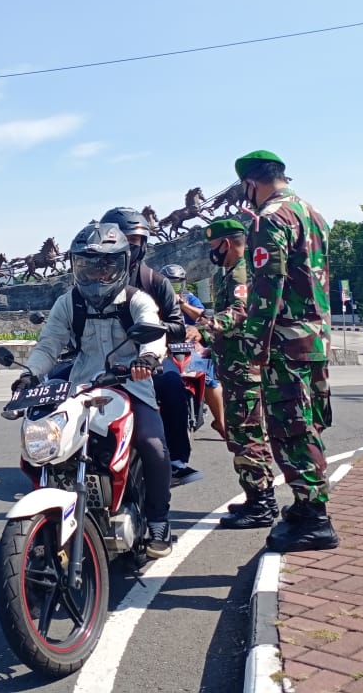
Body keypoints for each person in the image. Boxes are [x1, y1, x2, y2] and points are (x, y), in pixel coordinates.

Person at [11, 221, 174, 558]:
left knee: (153, 445)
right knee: (50, 445)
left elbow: (156, 334)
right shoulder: (69, 303)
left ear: (122, 265)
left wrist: (147, 358)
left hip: (131, 386)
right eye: (86, 266)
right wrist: (30, 374)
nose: (96, 275)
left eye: (106, 266)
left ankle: (159, 520)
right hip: (82, 387)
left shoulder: (137, 300)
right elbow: (49, 344)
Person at [236, 149, 339, 553]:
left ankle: (315, 517)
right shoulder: (313, 214)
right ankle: (304, 505)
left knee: (291, 427)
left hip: (285, 341)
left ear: (250, 183)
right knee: (310, 418)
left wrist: (255, 344)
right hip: (314, 337)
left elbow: (268, 286)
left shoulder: (269, 219)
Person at [99, 207, 201, 487]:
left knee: (170, 384)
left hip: (149, 356)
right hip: (99, 356)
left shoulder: (156, 281)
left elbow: (178, 324)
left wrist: (150, 331)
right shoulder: (89, 280)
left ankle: (177, 459)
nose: (129, 249)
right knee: (58, 380)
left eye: (134, 243)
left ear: (143, 245)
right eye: (122, 242)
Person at [196, 218, 278, 529]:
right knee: (244, 432)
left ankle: (261, 504)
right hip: (234, 366)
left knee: (247, 433)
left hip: (244, 368)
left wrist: (206, 327)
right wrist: (211, 341)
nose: (211, 252)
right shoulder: (229, 272)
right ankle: (258, 498)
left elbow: (241, 311)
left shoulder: (241, 271)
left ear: (225, 244)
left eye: (212, 246)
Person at [160, 263, 227, 443]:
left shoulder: (190, 299)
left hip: (190, 348)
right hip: (165, 350)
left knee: (209, 379)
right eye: (170, 283)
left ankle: (220, 422)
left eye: (177, 283)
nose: (174, 287)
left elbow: (204, 317)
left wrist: (181, 303)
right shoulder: (154, 300)